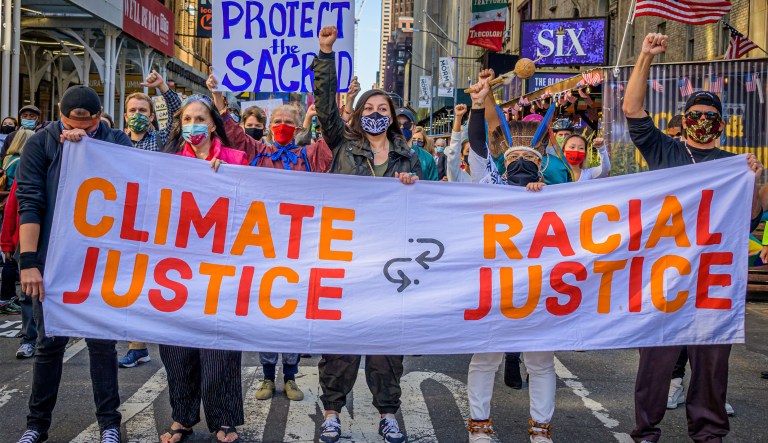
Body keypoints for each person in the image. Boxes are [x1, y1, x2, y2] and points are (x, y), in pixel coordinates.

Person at [623, 32, 763, 443]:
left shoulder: (732, 166)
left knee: (711, 364)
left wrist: (753, 182)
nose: (702, 119)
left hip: (711, 281)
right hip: (665, 276)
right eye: (695, 112)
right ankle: (646, 431)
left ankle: (709, 433)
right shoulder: (664, 151)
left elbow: (749, 220)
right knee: (656, 363)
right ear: (685, 119)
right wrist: (645, 56)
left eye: (709, 114)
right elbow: (632, 108)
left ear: (719, 124)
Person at [313, 25, 420, 443]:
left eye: (383, 106)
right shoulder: (342, 144)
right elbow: (324, 106)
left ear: (392, 117)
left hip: (391, 263)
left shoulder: (408, 156)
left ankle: (388, 412)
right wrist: (326, 54)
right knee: (339, 341)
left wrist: (414, 188)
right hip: (346, 259)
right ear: (358, 114)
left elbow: (428, 210)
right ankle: (332, 410)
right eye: (369, 105)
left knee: (386, 345)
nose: (376, 110)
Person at [16, 85, 131, 443]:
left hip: (101, 261)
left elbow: (136, 190)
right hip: (55, 260)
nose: (80, 126)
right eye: (71, 120)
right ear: (61, 117)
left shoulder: (116, 141)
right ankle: (36, 426)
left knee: (102, 345)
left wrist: (92, 151)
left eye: (89, 122)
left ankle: (109, 424)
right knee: (50, 344)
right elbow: (30, 202)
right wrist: (28, 263)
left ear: (99, 117)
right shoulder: (41, 143)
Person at [463, 76, 554, 443]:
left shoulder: (553, 194)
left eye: (527, 158)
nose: (519, 162)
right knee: (485, 358)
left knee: (540, 361)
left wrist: (545, 197)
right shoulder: (489, 182)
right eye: (513, 156)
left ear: (540, 163)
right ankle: (479, 426)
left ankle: (541, 430)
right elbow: (477, 144)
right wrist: (477, 105)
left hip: (538, 288)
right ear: (504, 159)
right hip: (495, 287)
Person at [156, 93, 246, 443]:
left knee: (220, 348)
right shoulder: (167, 163)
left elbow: (255, 208)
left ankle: (224, 420)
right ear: (179, 124)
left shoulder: (236, 159)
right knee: (177, 349)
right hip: (176, 268)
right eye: (187, 119)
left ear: (213, 124)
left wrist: (228, 178)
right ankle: (182, 418)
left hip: (221, 269)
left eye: (200, 118)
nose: (193, 125)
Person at [116, 69, 182, 369]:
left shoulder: (160, 139)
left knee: (156, 284)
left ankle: (169, 342)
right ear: (125, 114)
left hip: (157, 223)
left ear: (152, 116)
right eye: (133, 111)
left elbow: (179, 114)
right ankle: (137, 345)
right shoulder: (113, 143)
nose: (138, 114)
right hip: (124, 224)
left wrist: (162, 88)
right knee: (131, 284)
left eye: (143, 110)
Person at [397, 108, 437, 181]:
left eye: (407, 124)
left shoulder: (427, 158)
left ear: (414, 128)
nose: (401, 128)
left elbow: (434, 186)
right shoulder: (383, 155)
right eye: (397, 124)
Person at [541, 118, 574, 185]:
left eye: (567, 134)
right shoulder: (548, 151)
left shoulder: (577, 150)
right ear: (555, 136)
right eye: (560, 135)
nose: (564, 137)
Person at [444, 105, 471, 183]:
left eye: (475, 151)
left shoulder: (485, 176)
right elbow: (454, 151)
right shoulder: (456, 175)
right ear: (461, 156)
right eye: (468, 151)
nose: (472, 154)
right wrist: (458, 117)